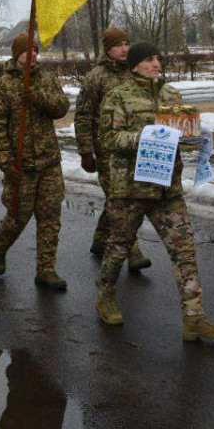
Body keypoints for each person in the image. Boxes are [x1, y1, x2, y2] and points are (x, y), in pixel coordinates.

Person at [95, 42, 214, 340]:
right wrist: (142, 137)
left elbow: (180, 134)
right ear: (134, 65)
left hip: (167, 189)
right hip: (129, 189)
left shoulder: (171, 94)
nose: (156, 63)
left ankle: (194, 318)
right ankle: (105, 296)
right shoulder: (118, 97)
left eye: (158, 58)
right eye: (149, 59)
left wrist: (193, 137)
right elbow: (107, 139)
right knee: (118, 247)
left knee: (184, 250)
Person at [0, 34, 70, 291]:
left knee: (50, 217)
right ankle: (0, 245)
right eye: (29, 50)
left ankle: (46, 270)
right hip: (20, 166)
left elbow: (61, 107)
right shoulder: (3, 86)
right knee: (17, 217)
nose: (34, 54)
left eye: (36, 50)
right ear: (17, 54)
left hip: (49, 162)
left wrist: (36, 98)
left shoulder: (46, 79)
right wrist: (6, 162)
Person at [76, 27, 151, 272]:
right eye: (119, 44)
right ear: (108, 49)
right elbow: (83, 115)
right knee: (122, 201)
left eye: (127, 43)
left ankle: (99, 240)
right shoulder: (96, 77)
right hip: (107, 150)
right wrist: (85, 151)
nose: (124, 49)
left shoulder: (134, 72)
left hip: (133, 148)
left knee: (117, 199)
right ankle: (134, 252)